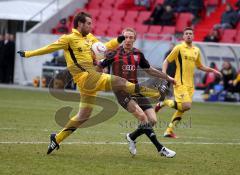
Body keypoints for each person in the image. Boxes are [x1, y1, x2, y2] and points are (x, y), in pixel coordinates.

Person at [17, 12, 168, 154]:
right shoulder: (68, 39)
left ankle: (56, 139)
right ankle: (155, 93)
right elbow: (48, 48)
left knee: (83, 116)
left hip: (90, 79)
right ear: (80, 24)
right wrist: (28, 54)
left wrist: (119, 40)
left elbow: (104, 47)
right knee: (120, 81)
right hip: (85, 77)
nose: (91, 26)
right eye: (88, 23)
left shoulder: (89, 37)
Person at [98, 28, 176, 158]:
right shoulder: (113, 53)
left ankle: (131, 136)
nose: (128, 40)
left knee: (152, 120)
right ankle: (160, 148)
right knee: (142, 117)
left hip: (135, 89)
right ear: (122, 38)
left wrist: (167, 77)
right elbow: (99, 67)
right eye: (125, 37)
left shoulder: (138, 54)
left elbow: (150, 70)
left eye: (130, 37)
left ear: (134, 39)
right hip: (121, 92)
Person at [155, 27, 222, 138]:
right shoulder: (179, 48)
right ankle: (165, 103)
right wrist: (164, 75)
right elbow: (166, 61)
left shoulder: (196, 50)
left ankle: (169, 131)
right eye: (186, 33)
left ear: (193, 36)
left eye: (190, 33)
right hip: (179, 82)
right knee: (186, 105)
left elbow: (200, 66)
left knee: (183, 108)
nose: (189, 35)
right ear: (183, 36)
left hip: (190, 85)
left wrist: (213, 70)